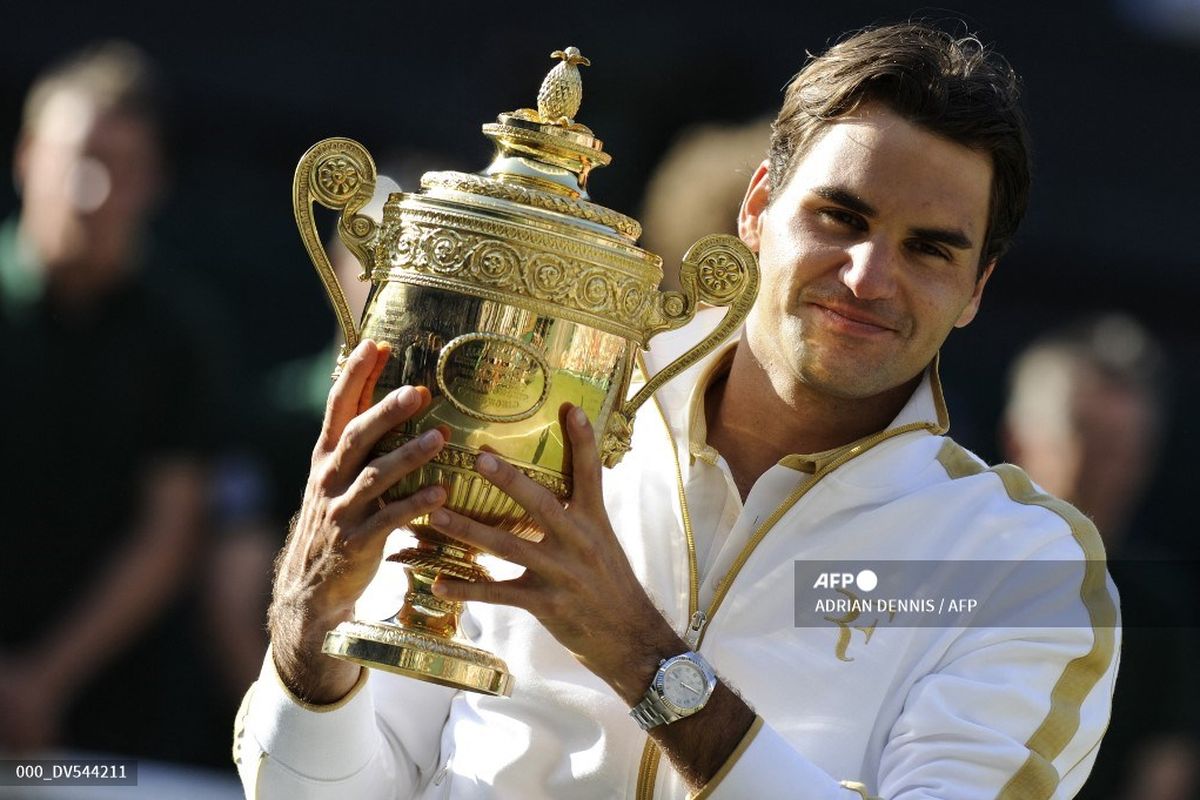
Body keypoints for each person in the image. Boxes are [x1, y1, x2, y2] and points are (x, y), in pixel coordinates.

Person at [236, 22, 1119, 798]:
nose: (868, 277)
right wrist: (305, 637)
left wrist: (647, 661)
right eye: (839, 217)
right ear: (759, 207)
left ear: (977, 289)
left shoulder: (1020, 568)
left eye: (929, 250)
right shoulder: (529, 408)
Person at [0, 42, 220, 759]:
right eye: (79, 159)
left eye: (123, 169)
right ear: (28, 157)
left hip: (96, 727)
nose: (94, 192)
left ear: (154, 183)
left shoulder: (179, 336)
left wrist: (41, 683)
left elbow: (170, 531)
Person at [1002, 315, 1197, 800]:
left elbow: (1163, 773)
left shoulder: (1160, 610)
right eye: (1086, 436)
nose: (1108, 470)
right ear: (1020, 440)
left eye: (1126, 448)